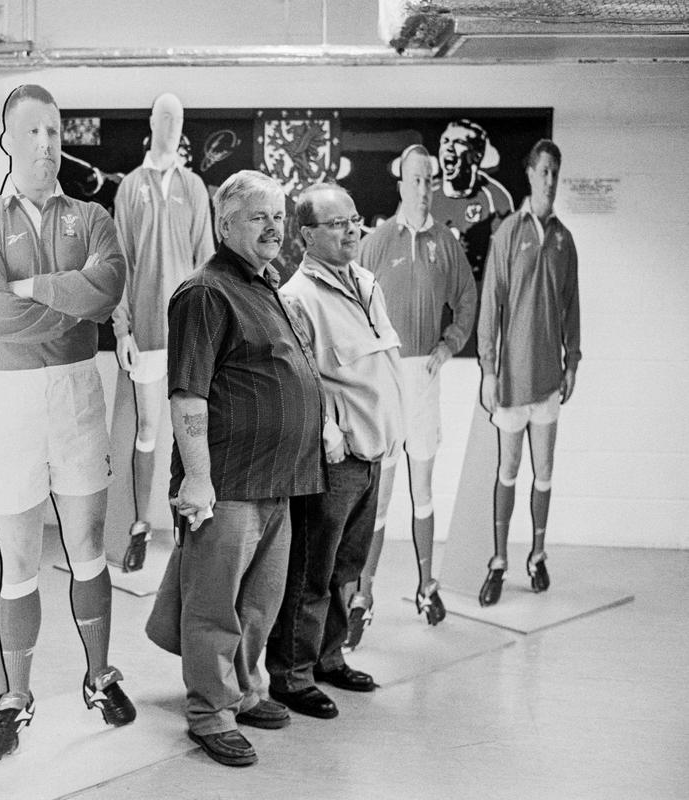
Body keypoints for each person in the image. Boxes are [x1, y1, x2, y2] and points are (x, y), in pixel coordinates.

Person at [0, 84, 134, 764]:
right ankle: (16, 697)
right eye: (30, 131)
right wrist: (64, 299)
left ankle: (97, 676)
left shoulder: (90, 217)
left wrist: (29, 289)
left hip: (78, 390)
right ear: (6, 139)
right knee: (20, 556)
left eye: (53, 131)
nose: (44, 144)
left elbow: (107, 287)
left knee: (87, 541)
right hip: (13, 396)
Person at [147, 170, 326, 767]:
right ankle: (209, 712)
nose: (274, 226)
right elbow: (187, 395)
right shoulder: (205, 293)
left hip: (279, 482)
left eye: (279, 215)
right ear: (225, 225)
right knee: (213, 605)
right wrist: (196, 478)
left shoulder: (265, 285)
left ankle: (247, 692)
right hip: (227, 483)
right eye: (258, 216)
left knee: (259, 605)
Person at [266, 183, 404, 720]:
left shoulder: (366, 282)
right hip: (338, 458)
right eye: (337, 224)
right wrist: (331, 432)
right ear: (306, 235)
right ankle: (292, 677)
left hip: (375, 453)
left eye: (354, 220)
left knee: (346, 566)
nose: (352, 231)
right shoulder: (299, 297)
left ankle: (328, 657)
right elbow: (303, 379)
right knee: (312, 571)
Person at [346, 144, 477, 645]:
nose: (423, 190)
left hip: (424, 376)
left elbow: (466, 298)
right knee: (378, 496)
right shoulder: (377, 241)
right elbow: (349, 300)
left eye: (430, 181)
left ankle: (426, 585)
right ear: (401, 183)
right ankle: (363, 596)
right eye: (416, 180)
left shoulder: (446, 242)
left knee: (422, 490)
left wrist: (450, 343)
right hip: (385, 381)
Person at [111, 92, 215, 572]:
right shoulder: (130, 187)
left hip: (189, 337)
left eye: (179, 117)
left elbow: (207, 267)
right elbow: (120, 265)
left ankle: (184, 524)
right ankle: (138, 526)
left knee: (188, 431)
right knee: (149, 429)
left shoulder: (195, 187)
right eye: (164, 116)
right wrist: (122, 330)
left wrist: (212, 335)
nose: (171, 125)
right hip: (147, 333)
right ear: (151, 123)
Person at [477, 139, 580, 606]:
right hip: (512, 380)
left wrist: (572, 359)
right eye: (544, 171)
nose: (551, 180)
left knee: (545, 473)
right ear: (529, 175)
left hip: (548, 381)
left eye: (556, 171)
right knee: (509, 470)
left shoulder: (564, 239)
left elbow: (572, 305)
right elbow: (489, 307)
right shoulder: (507, 234)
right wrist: (488, 370)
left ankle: (537, 555)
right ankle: (498, 561)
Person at [432, 119, 515, 280]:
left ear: (476, 156)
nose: (449, 147)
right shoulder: (426, 196)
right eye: (445, 141)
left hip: (477, 293)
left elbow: (505, 262)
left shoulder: (496, 198)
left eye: (459, 142)